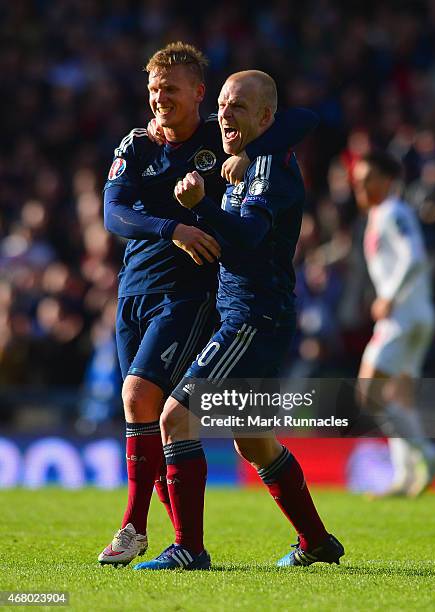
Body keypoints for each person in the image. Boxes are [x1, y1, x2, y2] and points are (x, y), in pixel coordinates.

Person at [98, 42, 319, 565]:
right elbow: (113, 214)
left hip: (194, 298)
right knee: (240, 434)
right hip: (132, 292)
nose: (159, 99)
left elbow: (297, 120)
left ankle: (152, 535)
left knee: (149, 403)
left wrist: (250, 152)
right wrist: (170, 227)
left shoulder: (220, 145)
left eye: (170, 90)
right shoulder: (137, 145)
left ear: (198, 93)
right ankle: (313, 541)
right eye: (153, 89)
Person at [353, 151, 435, 497]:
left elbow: (415, 256)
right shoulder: (380, 214)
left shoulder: (393, 212)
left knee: (366, 392)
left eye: (367, 177)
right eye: (357, 177)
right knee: (399, 400)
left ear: (387, 180)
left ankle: (427, 453)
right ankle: (405, 475)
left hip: (402, 317)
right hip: (418, 315)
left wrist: (388, 294)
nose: (359, 183)